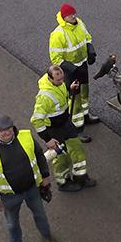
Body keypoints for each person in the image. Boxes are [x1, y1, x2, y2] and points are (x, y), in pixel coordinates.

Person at [0, 114, 58, 242]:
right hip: (10, 197)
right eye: (2, 130)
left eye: (8, 128)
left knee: (40, 214)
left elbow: (39, 156)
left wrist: (45, 176)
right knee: (12, 223)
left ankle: (47, 236)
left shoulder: (26, 136)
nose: (6, 132)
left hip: (32, 189)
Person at [31, 64, 97, 192]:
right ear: (50, 79)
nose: (61, 81)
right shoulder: (44, 97)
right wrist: (48, 139)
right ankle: (63, 181)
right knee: (61, 157)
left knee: (77, 149)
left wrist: (70, 89)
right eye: (58, 80)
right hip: (54, 130)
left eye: (62, 78)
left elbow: (62, 94)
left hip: (65, 124)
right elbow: (36, 120)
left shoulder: (59, 84)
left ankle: (80, 177)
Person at [49, 3, 99, 142]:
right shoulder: (58, 34)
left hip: (82, 64)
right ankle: (77, 128)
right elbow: (56, 58)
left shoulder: (79, 24)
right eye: (71, 15)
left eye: (75, 14)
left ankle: (86, 115)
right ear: (65, 18)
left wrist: (90, 50)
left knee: (84, 92)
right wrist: (71, 68)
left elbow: (87, 37)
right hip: (70, 71)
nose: (74, 16)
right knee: (75, 100)